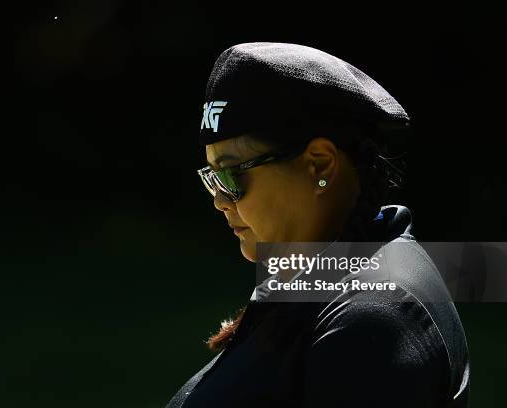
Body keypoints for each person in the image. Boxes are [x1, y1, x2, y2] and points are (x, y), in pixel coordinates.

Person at [166, 42, 470, 407]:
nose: (219, 200)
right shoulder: (330, 277)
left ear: (320, 164)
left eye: (232, 176)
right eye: (211, 178)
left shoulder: (373, 316)